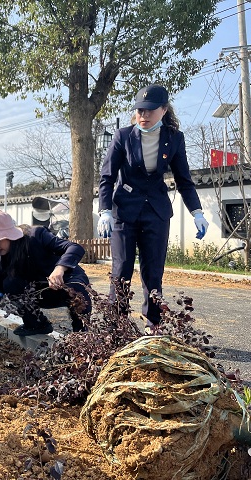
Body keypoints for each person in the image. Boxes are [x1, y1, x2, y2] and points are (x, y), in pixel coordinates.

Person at [97, 84, 209, 328]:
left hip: (157, 211)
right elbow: (107, 176)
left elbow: (184, 179)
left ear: (164, 110)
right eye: (139, 110)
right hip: (124, 211)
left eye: (149, 111)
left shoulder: (174, 139)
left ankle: (152, 324)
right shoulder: (123, 136)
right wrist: (104, 211)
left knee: (153, 270)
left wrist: (197, 212)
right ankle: (118, 324)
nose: (143, 115)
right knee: (121, 269)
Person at [0, 210, 91, 336]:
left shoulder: (36, 236)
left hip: (65, 284)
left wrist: (59, 269)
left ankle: (82, 332)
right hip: (40, 292)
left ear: (9, 235)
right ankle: (36, 324)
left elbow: (75, 248)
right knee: (10, 283)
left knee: (77, 288)